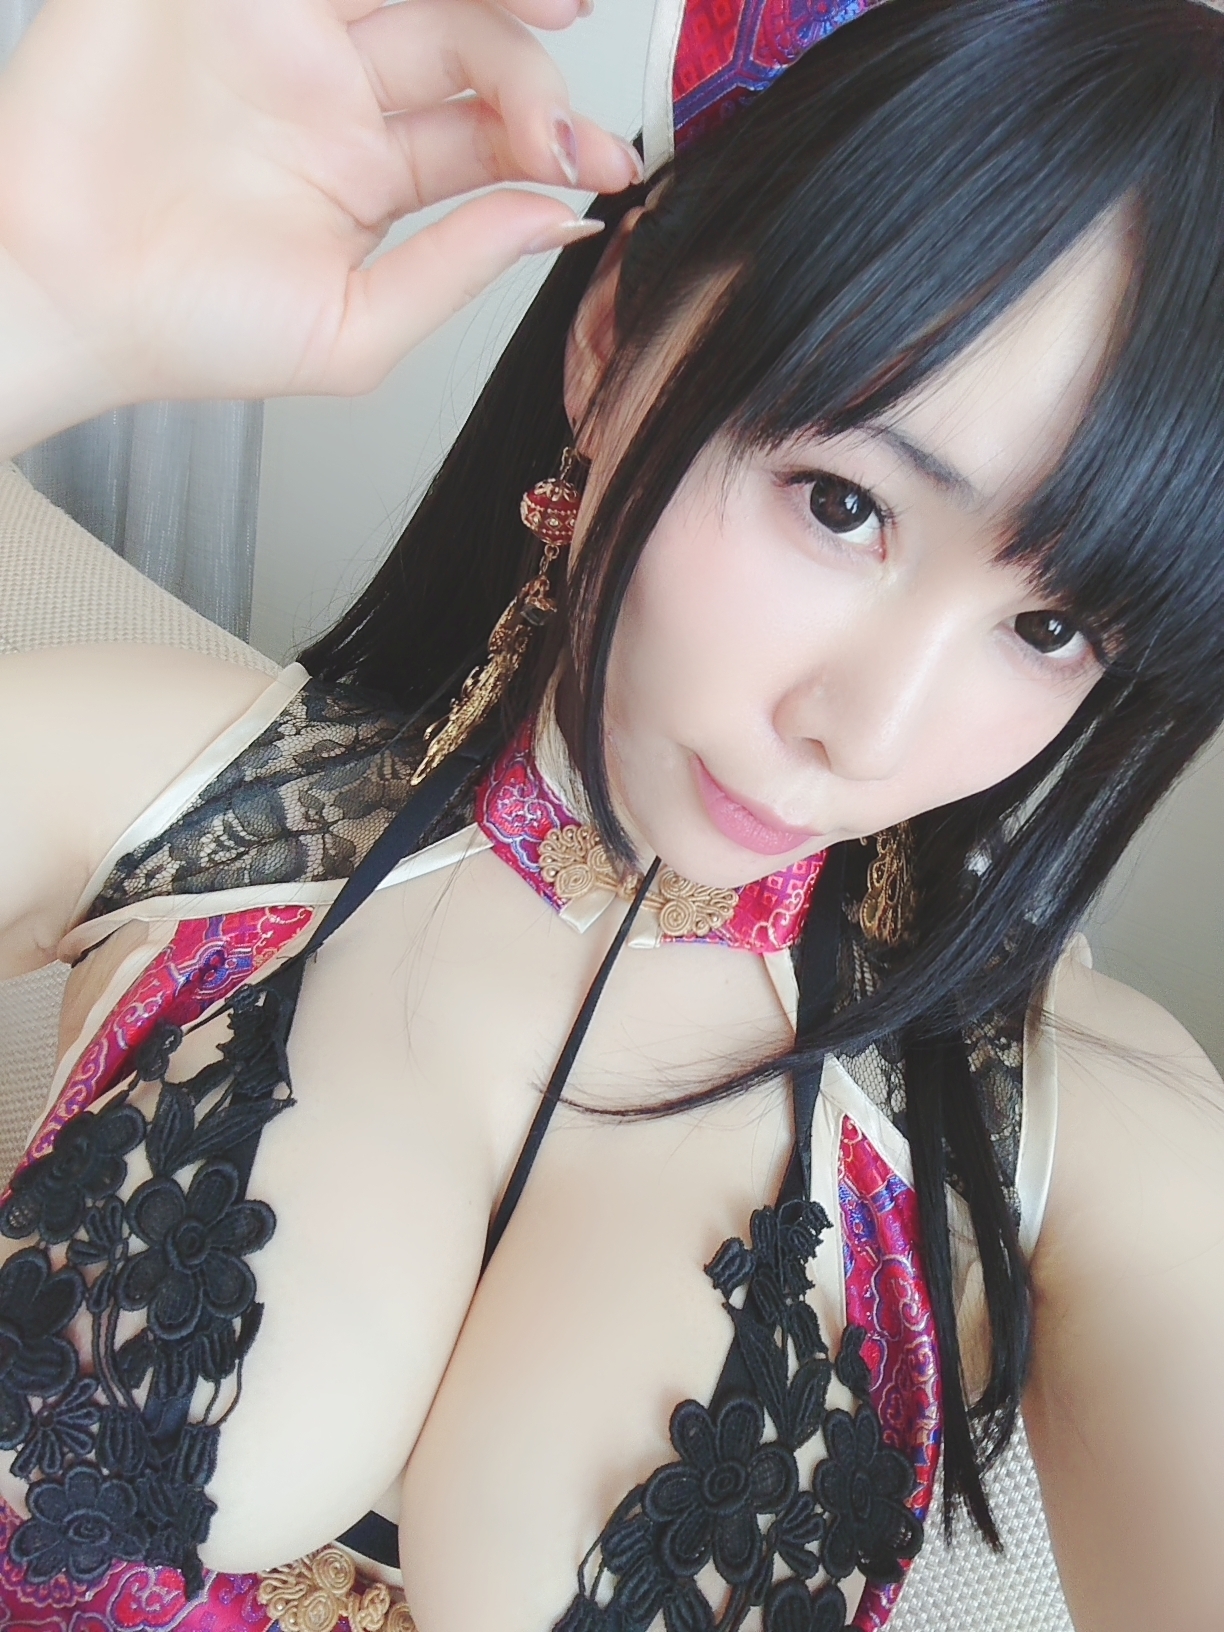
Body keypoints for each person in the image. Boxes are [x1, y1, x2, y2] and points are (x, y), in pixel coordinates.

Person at [0, 0, 1221, 1629]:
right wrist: (30, 309)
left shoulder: (1090, 1144)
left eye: (1051, 627)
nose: (867, 731)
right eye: (843, 503)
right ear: (613, 336)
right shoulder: (173, 792)